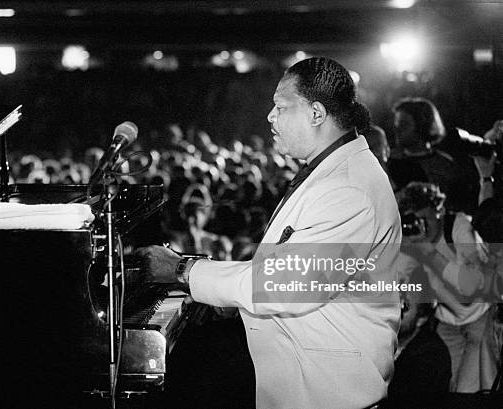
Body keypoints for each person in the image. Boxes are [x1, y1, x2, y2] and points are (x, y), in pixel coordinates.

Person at [137, 57, 401, 409]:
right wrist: (228, 300)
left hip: (328, 393)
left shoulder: (348, 187)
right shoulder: (332, 171)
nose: (270, 117)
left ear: (316, 113)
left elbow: (285, 283)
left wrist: (182, 270)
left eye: (280, 107)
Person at [396, 182, 497, 392]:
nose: (419, 226)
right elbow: (399, 282)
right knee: (448, 388)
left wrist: (427, 251)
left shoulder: (458, 226)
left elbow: (470, 288)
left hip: (479, 318)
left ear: (438, 211)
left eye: (422, 218)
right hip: (446, 323)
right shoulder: (411, 242)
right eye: (412, 219)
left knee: (467, 391)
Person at [388, 97, 480, 213]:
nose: (397, 129)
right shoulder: (389, 162)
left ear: (422, 125)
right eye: (396, 124)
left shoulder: (446, 166)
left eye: (404, 124)